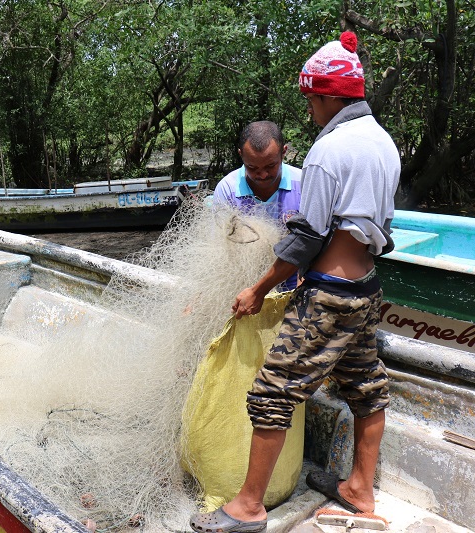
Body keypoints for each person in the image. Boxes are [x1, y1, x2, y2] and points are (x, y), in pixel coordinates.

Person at [190, 31, 400, 533]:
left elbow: (306, 238)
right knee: (367, 388)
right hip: (367, 287)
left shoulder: (330, 150)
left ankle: (247, 507)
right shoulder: (383, 141)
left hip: (329, 293)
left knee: (271, 394)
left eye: (311, 99)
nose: (310, 109)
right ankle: (359, 490)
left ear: (328, 96)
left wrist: (258, 289)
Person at [213, 120, 302, 289]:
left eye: (270, 166)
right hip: (245, 288)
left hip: (296, 287)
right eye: (252, 167)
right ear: (241, 155)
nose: (262, 174)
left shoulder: (304, 183)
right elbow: (217, 251)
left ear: (284, 152)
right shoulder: (227, 189)